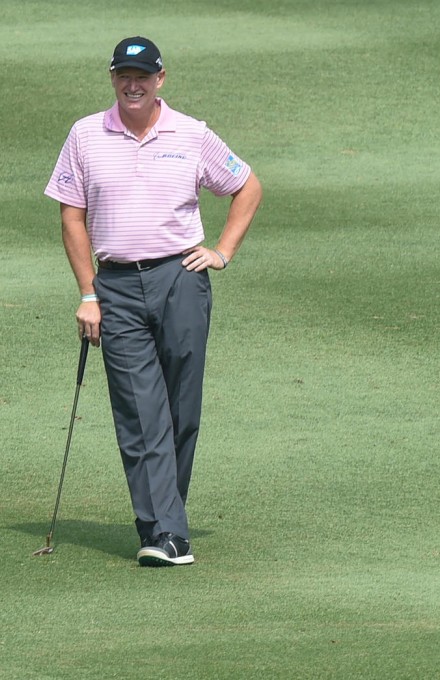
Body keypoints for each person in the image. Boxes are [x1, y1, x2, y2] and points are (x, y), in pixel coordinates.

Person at [44, 37, 262, 566]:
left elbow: (247, 185)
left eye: (142, 75)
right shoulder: (85, 135)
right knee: (141, 413)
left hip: (180, 279)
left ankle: (165, 518)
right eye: (123, 75)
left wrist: (223, 252)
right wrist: (88, 293)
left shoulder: (191, 134)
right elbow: (72, 215)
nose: (132, 84)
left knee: (181, 409)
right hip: (114, 286)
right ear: (113, 79)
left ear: (160, 78)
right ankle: (167, 533)